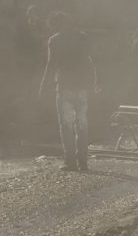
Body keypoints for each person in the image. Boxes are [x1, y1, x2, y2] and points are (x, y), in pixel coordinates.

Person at [39, 11, 98, 171]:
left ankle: (70, 162)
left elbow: (51, 64)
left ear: (56, 24)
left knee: (66, 125)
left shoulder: (55, 40)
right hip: (82, 86)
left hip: (65, 85)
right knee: (82, 124)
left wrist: (44, 85)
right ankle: (83, 162)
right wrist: (94, 81)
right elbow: (89, 60)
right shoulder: (83, 37)